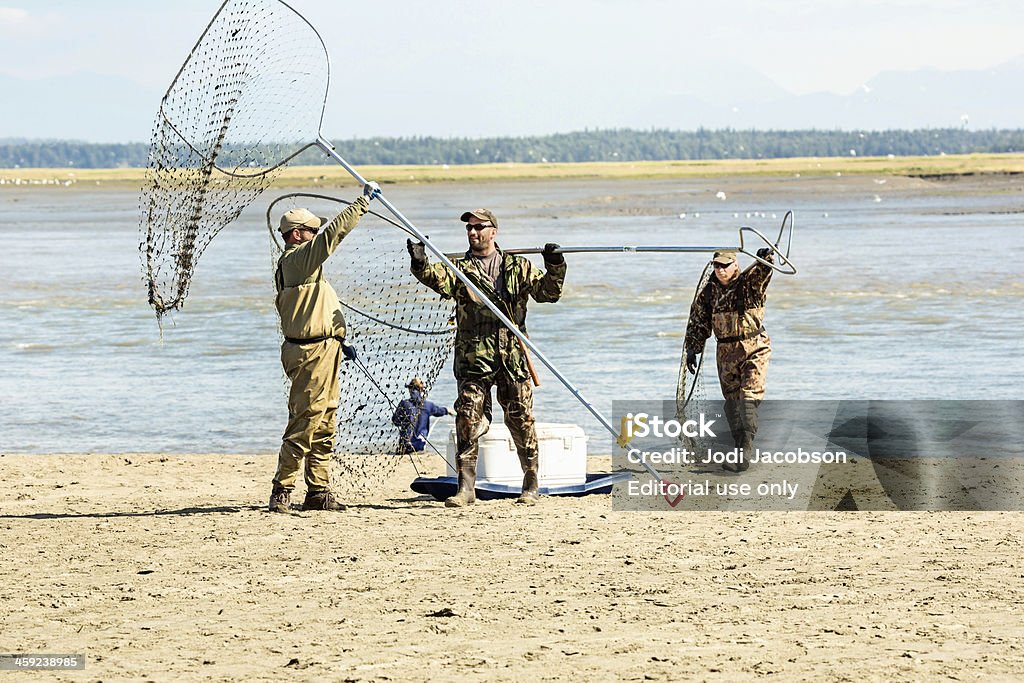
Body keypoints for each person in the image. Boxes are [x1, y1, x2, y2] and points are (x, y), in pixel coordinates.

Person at [407, 208, 566, 506]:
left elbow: (549, 293)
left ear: (494, 231)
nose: (472, 232)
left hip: (513, 356)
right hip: (473, 357)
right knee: (467, 419)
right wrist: (420, 261)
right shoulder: (458, 269)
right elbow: (436, 279)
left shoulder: (518, 267)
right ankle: (466, 488)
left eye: (479, 227)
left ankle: (531, 484)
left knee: (521, 421)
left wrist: (555, 263)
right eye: (469, 228)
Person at [268, 182, 381, 514]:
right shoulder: (298, 260)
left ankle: (318, 491)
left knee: (326, 419)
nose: (316, 235)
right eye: (312, 231)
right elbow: (334, 235)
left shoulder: (304, 265)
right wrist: (362, 202)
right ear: (298, 234)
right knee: (306, 418)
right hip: (309, 353)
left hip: (325, 350)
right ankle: (282, 489)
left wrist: (337, 339)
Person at [684, 248, 775, 472]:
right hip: (725, 353)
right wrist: (692, 348)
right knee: (733, 405)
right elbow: (699, 320)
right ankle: (740, 449)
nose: (720, 270)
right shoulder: (709, 292)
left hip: (754, 347)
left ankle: (744, 453)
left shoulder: (748, 283)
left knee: (748, 399)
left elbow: (764, 272)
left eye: (725, 265)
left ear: (735, 265)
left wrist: (765, 259)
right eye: (717, 266)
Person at [392, 378, 454, 454]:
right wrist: (448, 410)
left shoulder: (404, 404)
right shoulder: (428, 405)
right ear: (421, 390)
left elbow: (395, 421)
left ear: (410, 389)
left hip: (405, 445)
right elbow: (439, 411)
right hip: (420, 445)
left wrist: (404, 420)